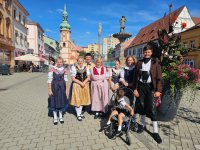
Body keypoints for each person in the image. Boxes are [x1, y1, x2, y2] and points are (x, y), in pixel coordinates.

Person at [133, 44, 162, 144]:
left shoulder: (155, 63)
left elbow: (159, 78)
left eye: (148, 52)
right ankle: (142, 125)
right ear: (143, 52)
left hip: (150, 88)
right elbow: (135, 77)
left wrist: (158, 90)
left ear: (151, 52)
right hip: (140, 87)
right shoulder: (139, 63)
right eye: (145, 52)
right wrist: (135, 89)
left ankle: (155, 132)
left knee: (152, 109)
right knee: (141, 107)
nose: (147, 53)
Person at [47, 56, 68, 125]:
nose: (59, 63)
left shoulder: (64, 70)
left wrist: (67, 89)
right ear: (56, 62)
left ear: (62, 63)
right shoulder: (52, 69)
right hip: (54, 87)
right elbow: (49, 80)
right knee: (54, 101)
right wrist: (49, 89)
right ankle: (55, 117)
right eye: (58, 62)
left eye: (60, 62)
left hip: (62, 88)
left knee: (61, 101)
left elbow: (66, 80)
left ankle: (61, 116)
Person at [70, 57, 91, 121]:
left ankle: (80, 113)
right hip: (77, 85)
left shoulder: (86, 67)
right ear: (77, 61)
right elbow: (73, 78)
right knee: (77, 100)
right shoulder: (74, 68)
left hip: (84, 85)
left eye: (81, 61)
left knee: (82, 100)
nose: (80, 62)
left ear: (83, 61)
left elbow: (88, 77)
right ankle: (78, 114)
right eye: (79, 61)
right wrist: (80, 83)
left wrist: (84, 83)